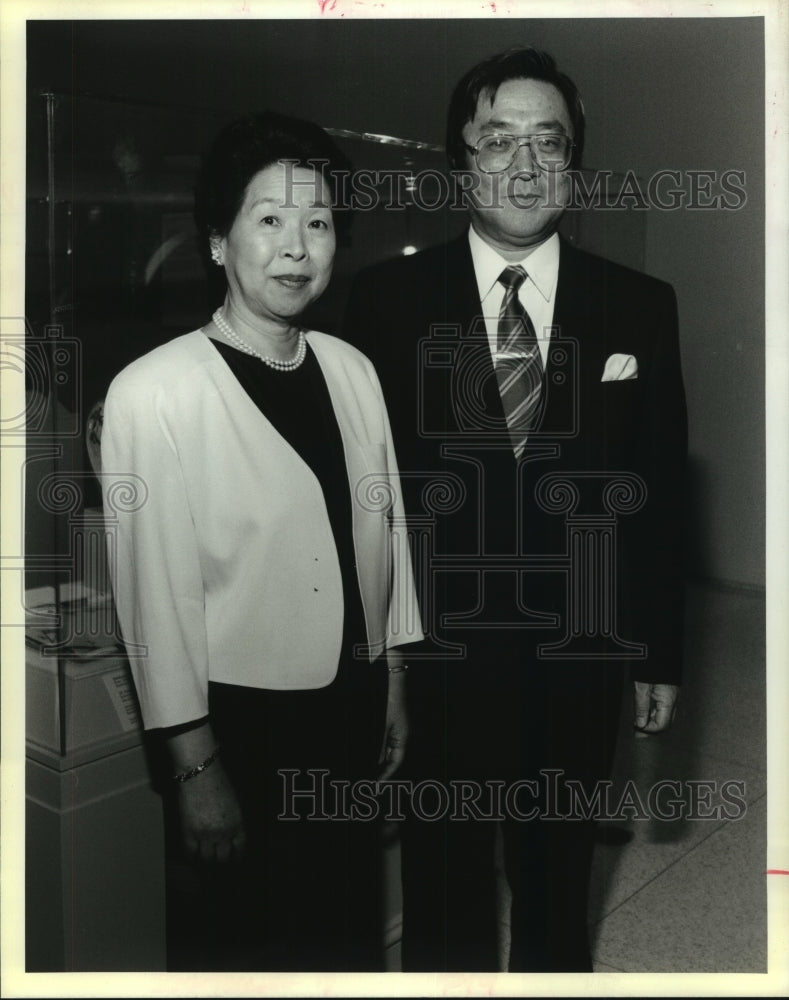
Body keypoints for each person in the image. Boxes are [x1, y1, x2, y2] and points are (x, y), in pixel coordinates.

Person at [343, 46, 687, 972]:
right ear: (461, 159)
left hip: (581, 653)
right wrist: (372, 662)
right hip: (439, 657)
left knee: (555, 881)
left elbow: (655, 493)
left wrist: (657, 648)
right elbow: (361, 506)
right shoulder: (380, 305)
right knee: (443, 887)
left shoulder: (639, 307)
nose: (526, 166)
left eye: (550, 143)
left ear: (575, 165)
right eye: (499, 141)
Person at [100, 110, 422, 972]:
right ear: (217, 243)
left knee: (343, 928)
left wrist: (392, 675)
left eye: (317, 223)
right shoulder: (154, 393)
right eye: (269, 220)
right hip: (239, 727)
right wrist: (195, 771)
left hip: (347, 702)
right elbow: (152, 606)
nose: (296, 247)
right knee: (244, 946)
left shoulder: (352, 371)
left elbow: (386, 531)